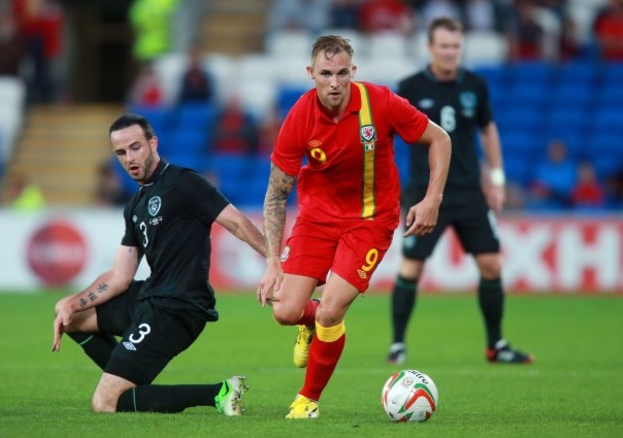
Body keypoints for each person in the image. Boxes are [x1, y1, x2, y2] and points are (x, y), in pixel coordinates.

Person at [257, 35, 451, 419]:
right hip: (316, 218)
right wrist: (272, 263)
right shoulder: (298, 117)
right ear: (310, 74)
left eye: (341, 73)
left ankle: (308, 399)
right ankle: (306, 322)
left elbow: (439, 139)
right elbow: (276, 194)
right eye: (325, 73)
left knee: (331, 311)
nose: (334, 82)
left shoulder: (380, 102)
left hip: (370, 221)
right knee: (284, 311)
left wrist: (432, 199)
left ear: (353, 72)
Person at [51, 113, 267, 414]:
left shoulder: (183, 182)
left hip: (178, 307)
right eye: (121, 153)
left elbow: (238, 223)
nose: (129, 158)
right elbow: (119, 276)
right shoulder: (135, 205)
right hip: (150, 297)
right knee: (70, 315)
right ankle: (127, 375)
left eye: (136, 147)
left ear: (153, 143)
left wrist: (274, 263)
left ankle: (220, 392)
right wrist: (74, 302)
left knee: (106, 403)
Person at [387, 17, 533, 366]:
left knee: (491, 264)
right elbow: (389, 137)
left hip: (469, 191)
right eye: (444, 46)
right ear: (430, 48)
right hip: (425, 194)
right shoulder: (409, 86)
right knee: (411, 267)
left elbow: (489, 131)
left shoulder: (476, 86)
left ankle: (495, 344)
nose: (451, 53)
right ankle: (397, 344)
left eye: (456, 46)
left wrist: (496, 180)